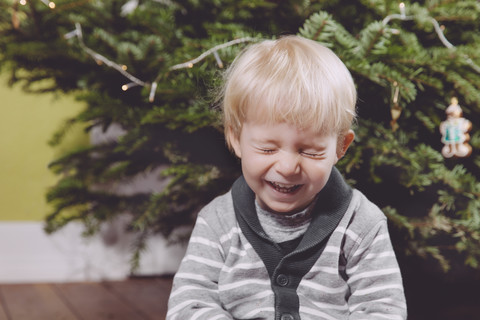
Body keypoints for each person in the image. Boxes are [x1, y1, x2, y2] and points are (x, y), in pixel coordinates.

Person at [166, 35, 407, 320]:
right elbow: (189, 304)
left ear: (341, 147)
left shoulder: (361, 223)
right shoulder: (218, 221)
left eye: (311, 151)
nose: (288, 167)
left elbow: (383, 309)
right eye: (268, 148)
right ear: (236, 137)